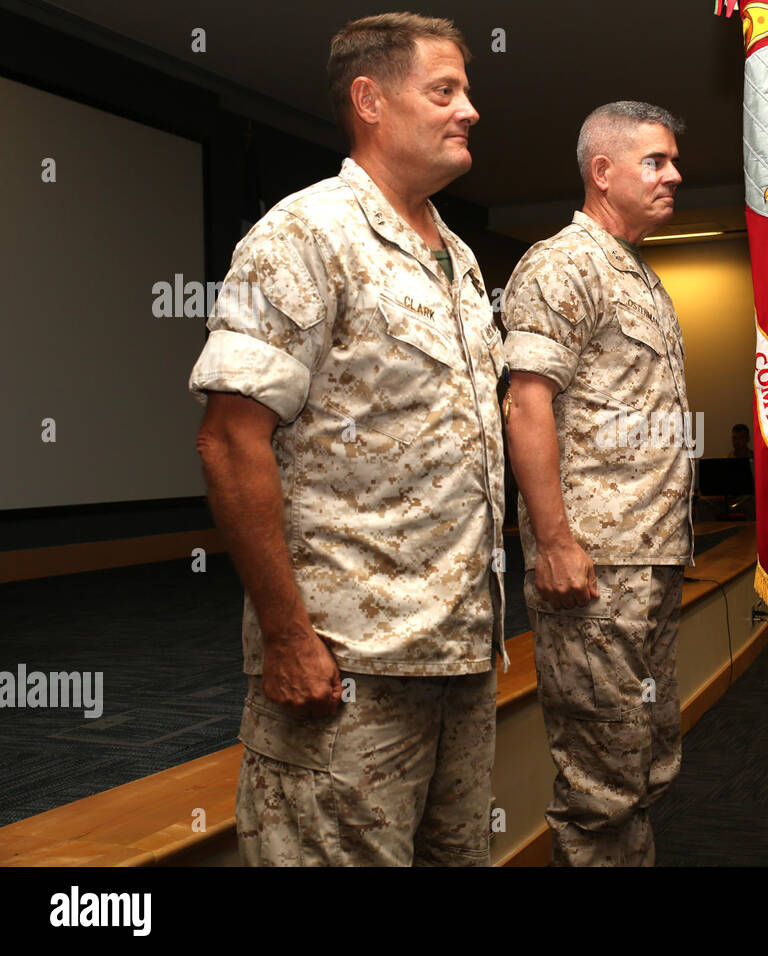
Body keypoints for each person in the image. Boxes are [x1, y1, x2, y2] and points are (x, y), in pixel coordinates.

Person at [189, 14, 505, 866]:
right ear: (369, 100)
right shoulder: (304, 236)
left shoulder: (461, 259)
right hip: (347, 675)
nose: (469, 109)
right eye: (445, 91)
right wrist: (289, 636)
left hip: (460, 659)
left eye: (467, 90)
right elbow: (228, 439)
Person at [501, 101, 694, 865]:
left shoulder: (640, 276)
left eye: (675, 160)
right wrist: (553, 542)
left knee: (645, 762)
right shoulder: (563, 264)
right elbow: (526, 401)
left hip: (648, 561)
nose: (675, 174)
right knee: (600, 787)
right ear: (602, 171)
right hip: (594, 569)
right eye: (656, 161)